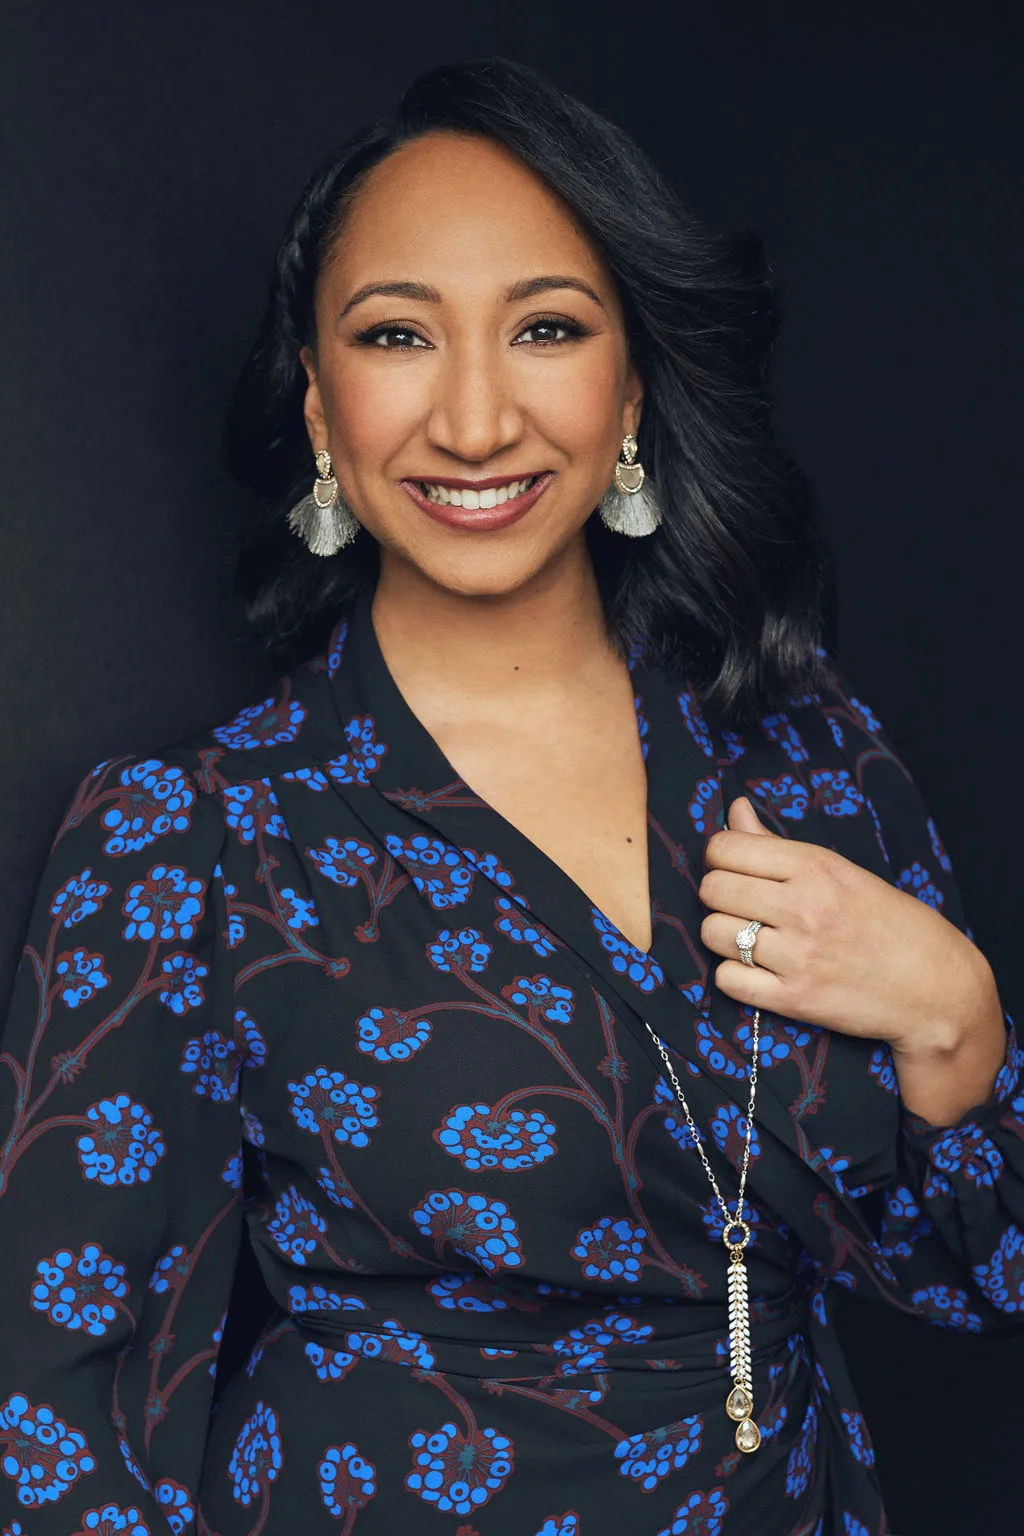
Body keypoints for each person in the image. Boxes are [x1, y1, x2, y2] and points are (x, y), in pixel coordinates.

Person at [0, 55, 1018, 1536]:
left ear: (631, 389)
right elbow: (55, 1422)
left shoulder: (805, 750)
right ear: (321, 407)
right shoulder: (197, 839)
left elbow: (982, 1278)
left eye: (545, 327)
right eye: (396, 334)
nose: (475, 422)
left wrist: (956, 1021)